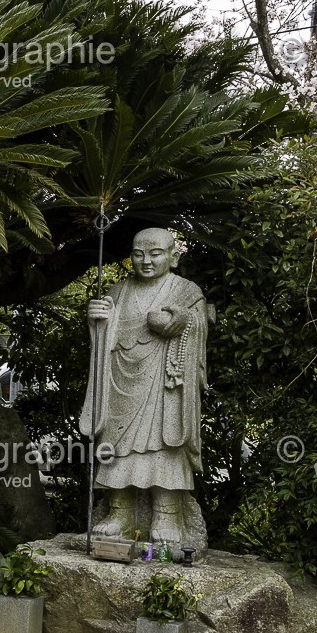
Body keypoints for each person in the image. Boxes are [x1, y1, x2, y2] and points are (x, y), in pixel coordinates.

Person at [81, 227, 208, 547]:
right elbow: (104, 338)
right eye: (138, 254)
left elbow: (198, 324)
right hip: (121, 384)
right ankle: (120, 514)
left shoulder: (186, 292)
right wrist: (97, 320)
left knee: (165, 447)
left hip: (165, 388)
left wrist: (186, 322)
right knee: (116, 448)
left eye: (155, 254)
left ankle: (168, 515)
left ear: (173, 257)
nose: (146, 261)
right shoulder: (118, 291)